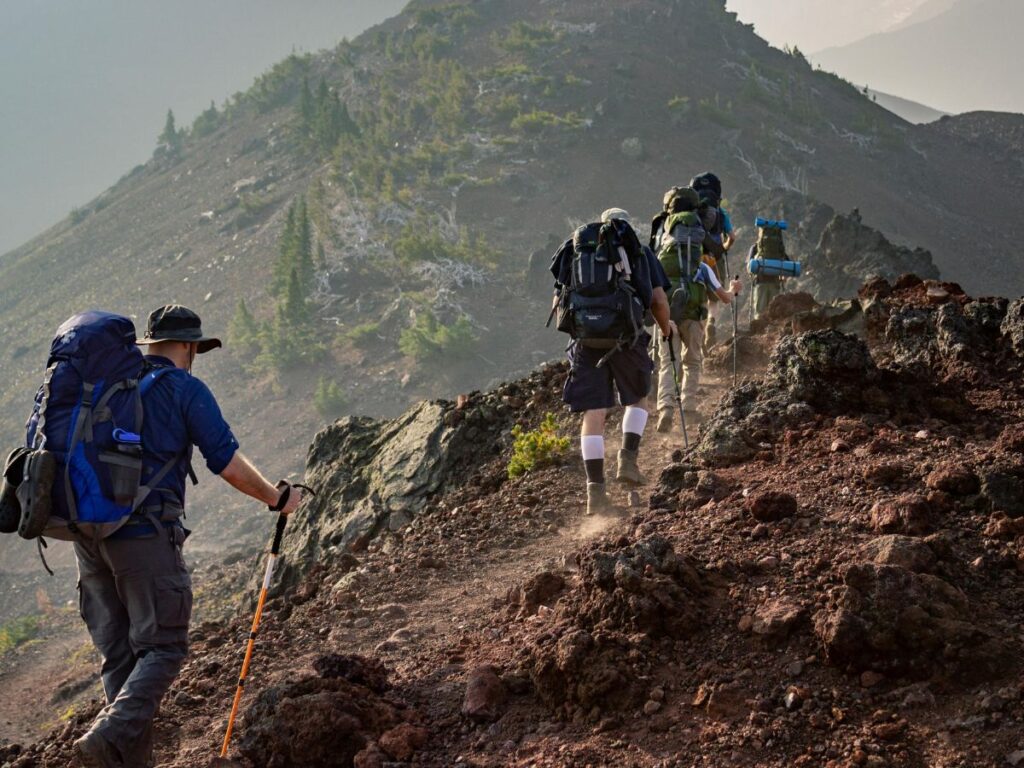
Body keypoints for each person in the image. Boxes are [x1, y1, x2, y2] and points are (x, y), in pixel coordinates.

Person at [73, 305, 304, 768]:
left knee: (122, 660)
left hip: (88, 536)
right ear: (190, 347)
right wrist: (276, 499)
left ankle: (123, 758)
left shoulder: (107, 388)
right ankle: (108, 736)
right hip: (144, 536)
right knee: (163, 647)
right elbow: (227, 463)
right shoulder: (183, 388)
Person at [551, 208, 674, 515]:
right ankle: (627, 462)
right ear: (625, 226)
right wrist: (665, 328)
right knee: (637, 400)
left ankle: (595, 494)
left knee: (593, 414)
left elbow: (558, 302)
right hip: (626, 338)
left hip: (585, 343)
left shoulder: (574, 252)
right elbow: (658, 301)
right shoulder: (639, 252)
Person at [652, 192, 742, 430]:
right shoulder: (701, 265)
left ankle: (666, 408)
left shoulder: (659, 263)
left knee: (667, 364)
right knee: (691, 362)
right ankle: (689, 408)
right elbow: (723, 298)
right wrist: (734, 289)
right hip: (694, 317)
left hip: (666, 318)